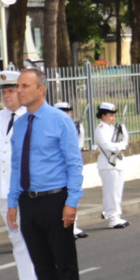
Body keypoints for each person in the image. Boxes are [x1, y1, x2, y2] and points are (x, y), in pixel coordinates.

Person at [8, 69, 85, 280]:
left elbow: (74, 163)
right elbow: (17, 165)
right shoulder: (19, 124)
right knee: (41, 264)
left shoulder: (59, 121)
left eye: (24, 86)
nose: (19, 91)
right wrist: (12, 202)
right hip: (28, 202)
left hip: (55, 199)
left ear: (41, 89)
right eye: (18, 86)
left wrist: (72, 201)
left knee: (64, 263)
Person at [0, 71, 39, 280]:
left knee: (36, 237)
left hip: (27, 190)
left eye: (10, 91)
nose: (6, 95)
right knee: (16, 237)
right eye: (3, 91)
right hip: (4, 191)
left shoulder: (32, 116)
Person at [55, 101, 88, 238]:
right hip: (60, 169)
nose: (67, 114)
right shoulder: (54, 127)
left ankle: (74, 225)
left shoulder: (74, 126)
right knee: (62, 200)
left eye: (68, 112)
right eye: (64, 112)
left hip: (72, 167)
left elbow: (78, 147)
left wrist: (78, 132)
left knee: (73, 196)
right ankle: (66, 228)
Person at [94, 102, 129, 229]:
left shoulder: (113, 128)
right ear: (103, 116)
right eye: (110, 115)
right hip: (108, 164)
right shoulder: (100, 129)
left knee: (118, 191)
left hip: (118, 163)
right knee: (111, 193)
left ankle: (117, 216)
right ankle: (112, 219)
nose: (113, 118)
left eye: (114, 116)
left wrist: (123, 131)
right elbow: (108, 146)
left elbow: (124, 142)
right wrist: (120, 146)